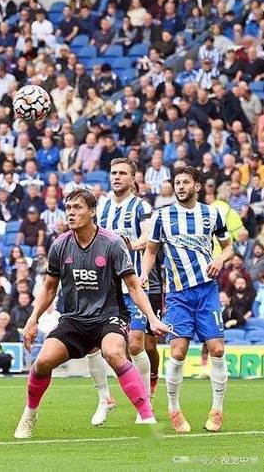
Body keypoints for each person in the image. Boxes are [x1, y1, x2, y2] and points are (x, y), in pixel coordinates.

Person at [15, 188, 170, 439]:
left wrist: (152, 318)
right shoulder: (60, 245)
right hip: (74, 319)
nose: (71, 213)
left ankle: (146, 416)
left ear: (93, 212)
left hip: (109, 316)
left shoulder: (112, 243)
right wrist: (33, 320)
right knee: (42, 362)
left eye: (77, 208)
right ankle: (29, 415)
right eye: (68, 208)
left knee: (114, 352)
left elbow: (133, 286)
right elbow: (49, 288)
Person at [140, 166, 233, 433]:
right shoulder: (162, 216)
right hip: (178, 294)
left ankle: (217, 410)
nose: (180, 187)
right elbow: (151, 251)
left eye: (185, 182)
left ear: (197, 186)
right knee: (178, 352)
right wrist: (144, 274)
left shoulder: (212, 214)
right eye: (177, 183)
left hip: (207, 291)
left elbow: (228, 247)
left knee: (217, 349)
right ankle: (174, 409)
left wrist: (219, 259)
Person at [90, 158, 161, 425]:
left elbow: (148, 239)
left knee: (136, 344)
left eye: (122, 173)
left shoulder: (142, 207)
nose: (117, 177)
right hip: (104, 288)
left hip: (134, 285)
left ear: (132, 179)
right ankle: (105, 399)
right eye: (113, 172)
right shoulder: (101, 206)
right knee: (95, 347)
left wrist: (126, 245)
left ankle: (144, 402)